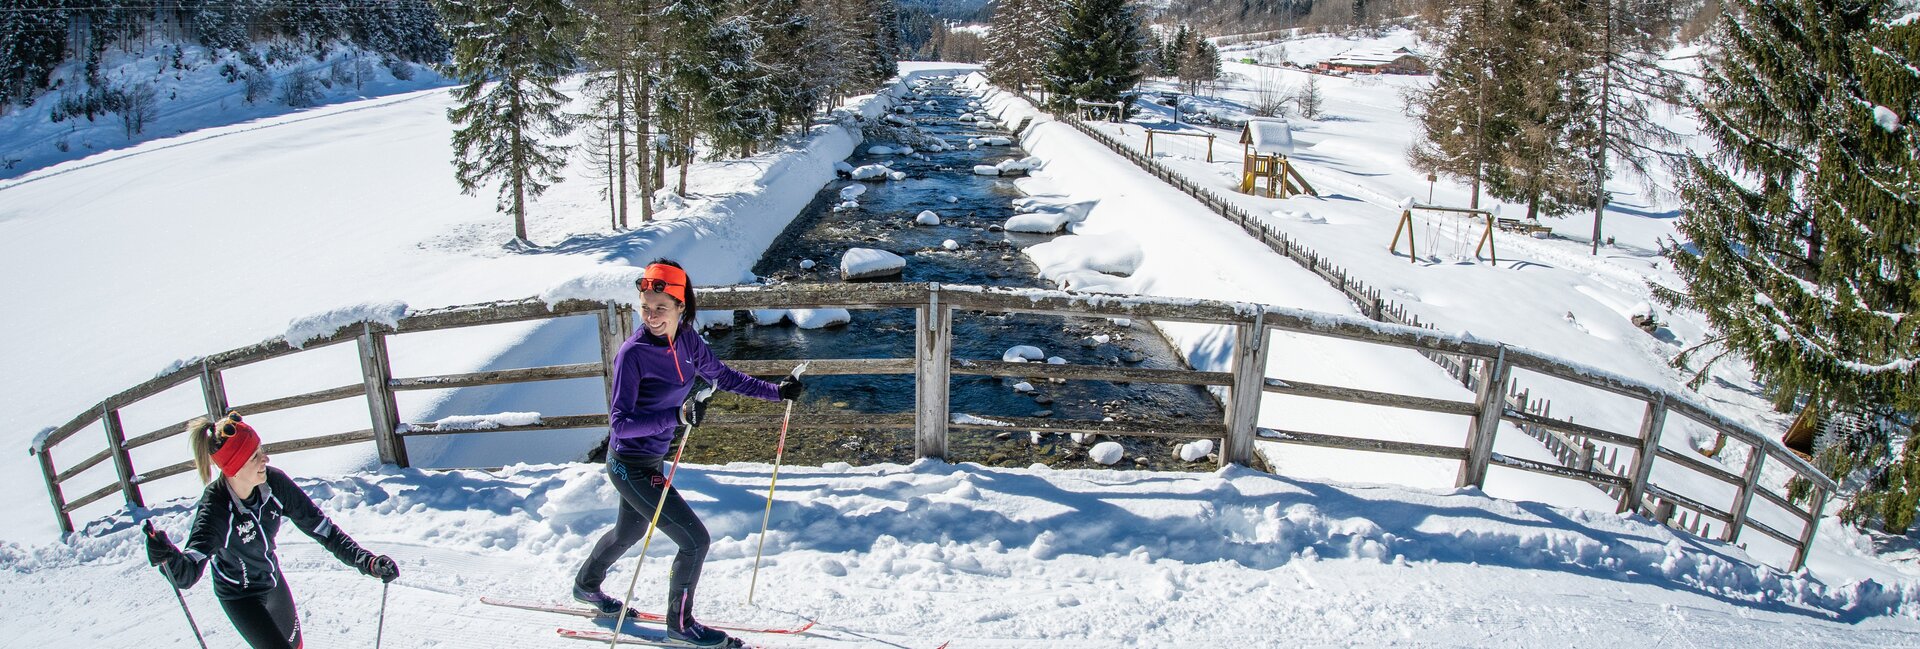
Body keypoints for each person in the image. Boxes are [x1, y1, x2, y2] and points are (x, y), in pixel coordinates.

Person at [573, 259, 804, 648]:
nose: (651, 316)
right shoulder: (633, 354)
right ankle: (680, 627)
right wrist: (676, 414)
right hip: (628, 463)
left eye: (660, 308)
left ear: (682, 308)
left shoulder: (688, 341)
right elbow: (621, 424)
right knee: (694, 540)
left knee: (627, 531)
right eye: (645, 307)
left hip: (651, 460)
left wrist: (775, 391)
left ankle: (586, 585)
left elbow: (724, 377)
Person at [145, 412, 400, 649]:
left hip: (272, 582)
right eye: (255, 455)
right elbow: (188, 572)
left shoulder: (274, 484)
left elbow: (324, 531)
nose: (265, 459)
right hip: (240, 597)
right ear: (234, 468)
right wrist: (167, 556)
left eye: (261, 450)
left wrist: (368, 562)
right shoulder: (217, 508)